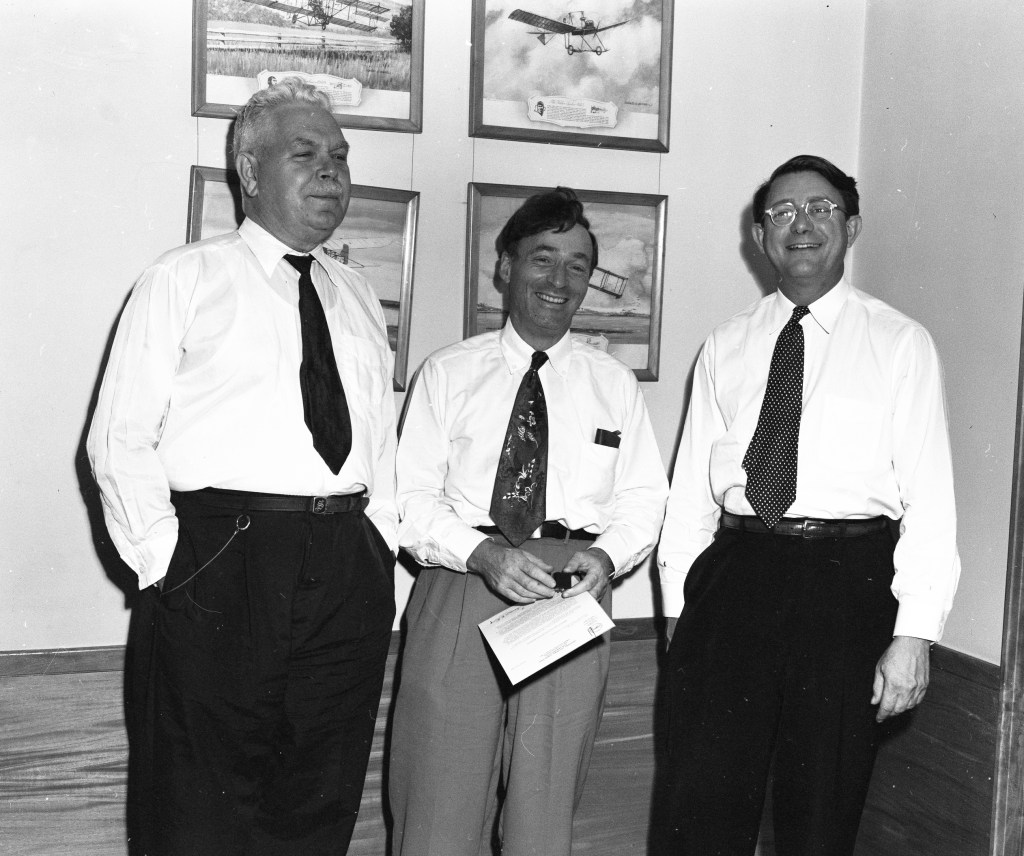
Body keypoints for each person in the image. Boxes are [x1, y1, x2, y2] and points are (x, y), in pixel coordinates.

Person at [87, 78, 397, 856]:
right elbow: (117, 440)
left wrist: (378, 549)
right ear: (250, 173)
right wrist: (170, 569)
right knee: (198, 813)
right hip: (220, 564)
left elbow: (380, 446)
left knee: (316, 808)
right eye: (306, 154)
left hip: (344, 568)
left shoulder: (356, 293)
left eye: (340, 155)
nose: (332, 171)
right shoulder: (183, 278)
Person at [651, 154, 960, 856]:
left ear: (850, 227)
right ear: (760, 236)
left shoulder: (899, 343)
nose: (802, 225)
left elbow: (931, 499)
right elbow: (690, 500)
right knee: (699, 806)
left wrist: (914, 635)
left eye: (821, 209)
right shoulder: (726, 345)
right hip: (735, 578)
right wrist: (680, 616)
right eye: (783, 212)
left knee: (819, 814)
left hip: (846, 587)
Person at [388, 187, 668, 856]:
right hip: (463, 583)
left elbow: (643, 499)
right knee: (436, 802)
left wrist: (606, 559)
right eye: (543, 258)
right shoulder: (449, 373)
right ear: (506, 266)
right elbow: (410, 499)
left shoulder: (613, 384)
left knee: (544, 815)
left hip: (570, 594)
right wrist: (480, 556)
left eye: (577, 265)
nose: (559, 280)